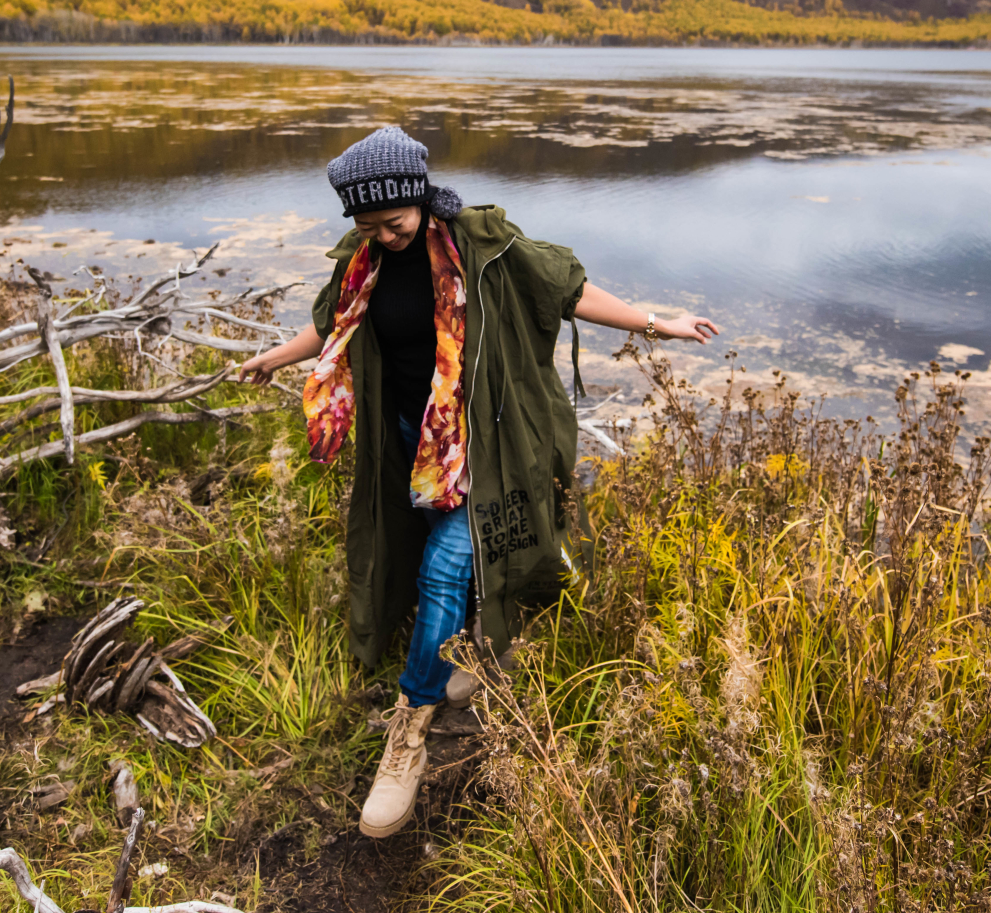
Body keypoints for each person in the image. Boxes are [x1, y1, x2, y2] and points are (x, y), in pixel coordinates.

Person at [237, 125, 718, 838]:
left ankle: (408, 732)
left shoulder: (486, 247)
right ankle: (477, 648)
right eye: (366, 226)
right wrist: (273, 358)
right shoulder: (360, 261)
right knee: (444, 555)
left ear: (421, 201)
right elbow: (333, 324)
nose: (382, 237)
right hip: (410, 439)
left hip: (485, 446)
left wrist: (659, 323)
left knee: (444, 566)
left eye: (393, 223)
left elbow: (570, 288)